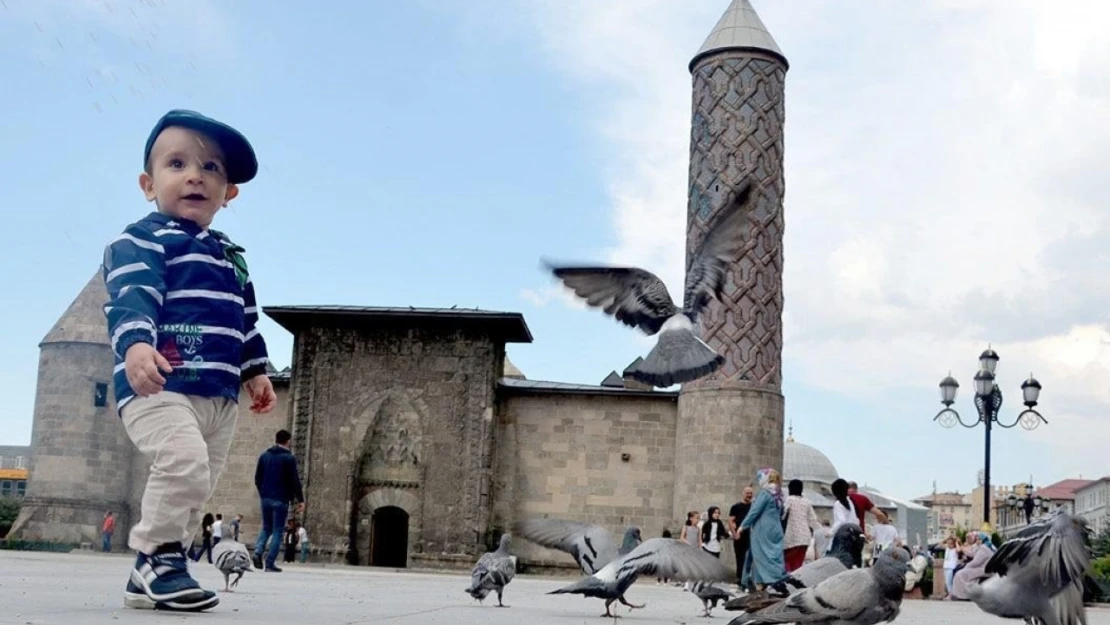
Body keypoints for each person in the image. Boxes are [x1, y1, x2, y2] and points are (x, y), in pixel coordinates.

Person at [102, 109, 276, 612]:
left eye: (211, 169)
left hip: (218, 396)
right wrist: (136, 345)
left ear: (229, 193)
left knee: (197, 482)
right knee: (182, 464)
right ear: (147, 182)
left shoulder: (231, 257)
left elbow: (245, 319)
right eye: (176, 163)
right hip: (162, 386)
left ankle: (149, 576)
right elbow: (133, 295)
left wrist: (255, 371)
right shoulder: (141, 240)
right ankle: (158, 555)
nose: (195, 175)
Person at [253, 429, 305, 572]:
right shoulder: (289, 458)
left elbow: (257, 478)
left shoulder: (264, 456)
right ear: (288, 441)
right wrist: (300, 500)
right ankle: (269, 563)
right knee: (277, 531)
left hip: (266, 498)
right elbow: (295, 480)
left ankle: (257, 551)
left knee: (266, 528)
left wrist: (263, 493)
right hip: (281, 499)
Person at [738, 468, 790, 598]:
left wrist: (743, 525)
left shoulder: (765, 493)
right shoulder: (779, 493)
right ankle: (768, 583)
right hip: (776, 529)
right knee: (774, 557)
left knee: (761, 557)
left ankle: (768, 583)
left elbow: (755, 511)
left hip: (764, 530)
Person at [781, 479, 822, 572]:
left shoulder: (789, 499)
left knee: (786, 561)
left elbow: (783, 515)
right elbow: (813, 520)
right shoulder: (807, 501)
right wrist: (822, 531)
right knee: (798, 563)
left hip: (792, 537)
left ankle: (788, 579)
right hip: (805, 538)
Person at [728, 486, 754, 587]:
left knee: (750, 559)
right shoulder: (736, 507)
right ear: (743, 493)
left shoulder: (754, 507)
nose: (749, 495)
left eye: (751, 493)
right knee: (740, 558)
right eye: (747, 493)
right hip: (740, 536)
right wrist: (735, 534)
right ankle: (739, 579)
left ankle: (748, 579)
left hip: (751, 536)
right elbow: (730, 521)